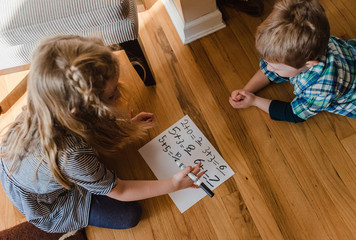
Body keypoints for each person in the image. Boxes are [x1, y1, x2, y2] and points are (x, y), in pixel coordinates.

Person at [0, 35, 204, 233]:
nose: (121, 95)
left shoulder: (49, 98)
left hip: (32, 168)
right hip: (51, 202)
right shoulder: (72, 154)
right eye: (112, 94)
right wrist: (173, 184)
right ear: (79, 111)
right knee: (129, 215)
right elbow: (121, 190)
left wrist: (125, 124)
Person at [229, 0, 356, 123]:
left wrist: (254, 101)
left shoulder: (320, 90)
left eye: (275, 67)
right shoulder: (315, 44)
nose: (268, 68)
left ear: (309, 64)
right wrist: (246, 91)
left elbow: (293, 114)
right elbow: (272, 71)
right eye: (267, 62)